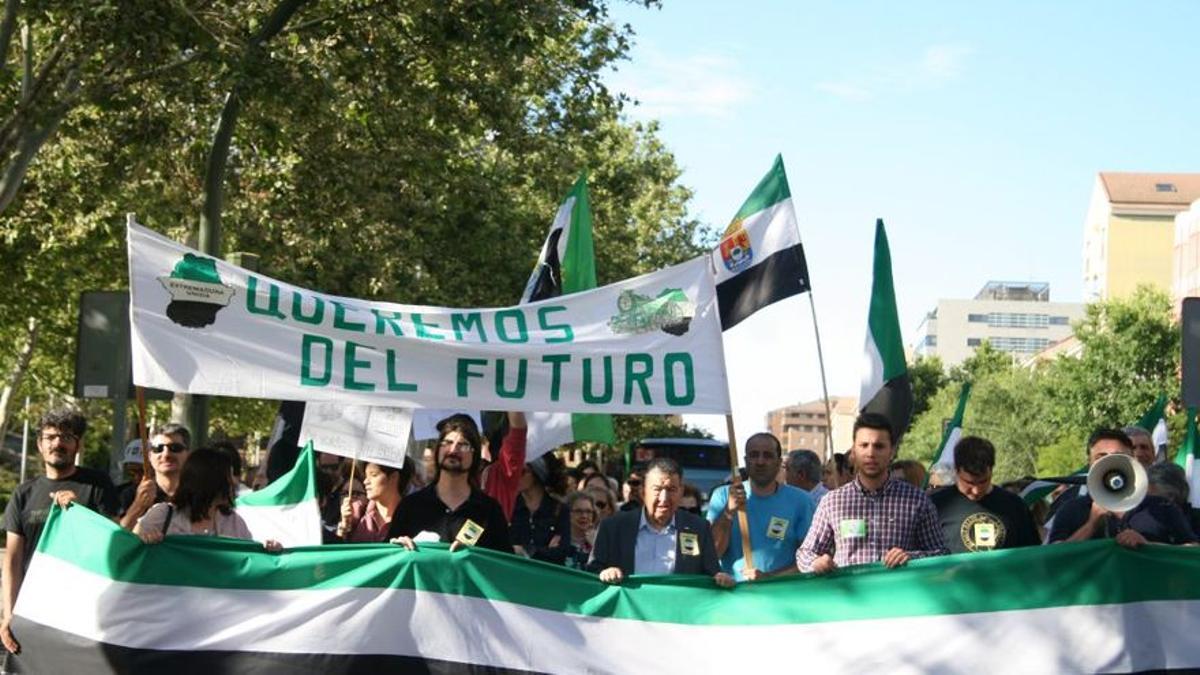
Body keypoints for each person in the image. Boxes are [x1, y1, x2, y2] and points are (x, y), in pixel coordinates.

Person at [2, 409, 117, 656]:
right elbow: (12, 560)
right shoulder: (23, 494)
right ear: (39, 445)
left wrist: (78, 514)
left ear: (78, 445)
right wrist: (9, 613)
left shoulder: (97, 485)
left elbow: (113, 541)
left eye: (66, 437)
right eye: (50, 437)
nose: (58, 443)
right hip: (33, 609)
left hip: (86, 612)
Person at [796, 413, 948, 574]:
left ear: (892, 451)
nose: (871, 453)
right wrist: (816, 563)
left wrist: (911, 557)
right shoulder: (832, 502)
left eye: (879, 446)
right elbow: (804, 554)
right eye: (864, 445)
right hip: (851, 597)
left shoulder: (917, 500)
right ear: (854, 451)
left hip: (899, 596)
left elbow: (941, 554)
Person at [589, 458, 734, 588]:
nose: (664, 498)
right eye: (657, 489)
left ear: (681, 491)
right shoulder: (613, 527)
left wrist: (721, 578)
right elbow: (591, 574)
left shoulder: (698, 528)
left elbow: (712, 574)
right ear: (643, 491)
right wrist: (605, 573)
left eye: (671, 490)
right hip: (628, 615)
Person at [388, 415, 513, 553]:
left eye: (463, 445)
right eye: (447, 443)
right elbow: (387, 561)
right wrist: (396, 549)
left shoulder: (489, 511)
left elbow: (505, 565)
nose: (453, 450)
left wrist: (475, 555)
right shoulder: (410, 506)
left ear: (475, 455)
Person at [708, 433, 814, 581]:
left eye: (768, 456)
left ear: (779, 462)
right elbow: (712, 555)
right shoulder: (723, 496)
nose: (760, 461)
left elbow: (810, 559)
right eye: (754, 455)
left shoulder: (801, 501)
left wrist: (769, 579)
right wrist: (728, 513)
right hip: (732, 596)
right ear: (745, 461)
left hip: (781, 595)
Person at [134, 448, 280, 550]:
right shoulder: (162, 515)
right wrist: (144, 540)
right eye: (229, 476)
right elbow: (128, 550)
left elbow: (248, 561)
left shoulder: (234, 522)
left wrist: (266, 551)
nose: (235, 482)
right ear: (210, 481)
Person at [929, 436, 1040, 553]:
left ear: (991, 470)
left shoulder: (1015, 505)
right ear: (956, 470)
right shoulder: (936, 505)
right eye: (969, 482)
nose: (976, 490)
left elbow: (1032, 554)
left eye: (983, 481)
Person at [1048, 428, 1140, 543]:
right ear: (1089, 463)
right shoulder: (1070, 510)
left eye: (1118, 456)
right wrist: (1091, 525)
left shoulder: (1157, 507)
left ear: (1132, 460)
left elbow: (1169, 553)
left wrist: (1147, 544)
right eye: (1101, 457)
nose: (1108, 463)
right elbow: (1056, 557)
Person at [119, 423, 192, 530]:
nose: (166, 455)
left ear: (189, 455)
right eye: (158, 449)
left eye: (175, 448)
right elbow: (119, 537)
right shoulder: (131, 494)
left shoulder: (200, 494)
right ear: (150, 456)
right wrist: (138, 506)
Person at [1111, 462, 1200, 548]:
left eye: (1149, 496)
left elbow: (1192, 551)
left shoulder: (1193, 518)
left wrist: (1148, 545)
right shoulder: (1134, 511)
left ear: (1171, 496)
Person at [510, 455, 570, 558]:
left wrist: (525, 551)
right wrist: (545, 550)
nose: (516, 475)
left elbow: (561, 551)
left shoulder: (559, 509)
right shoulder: (508, 507)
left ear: (537, 474)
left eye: (522, 471)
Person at [338, 461, 413, 542]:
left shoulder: (413, 516)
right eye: (365, 476)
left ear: (394, 477)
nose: (366, 482)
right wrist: (344, 526)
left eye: (374, 475)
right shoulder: (356, 512)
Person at [542, 491, 599, 569]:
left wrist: (595, 546)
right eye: (578, 511)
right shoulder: (556, 538)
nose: (584, 516)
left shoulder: (599, 539)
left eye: (588, 512)